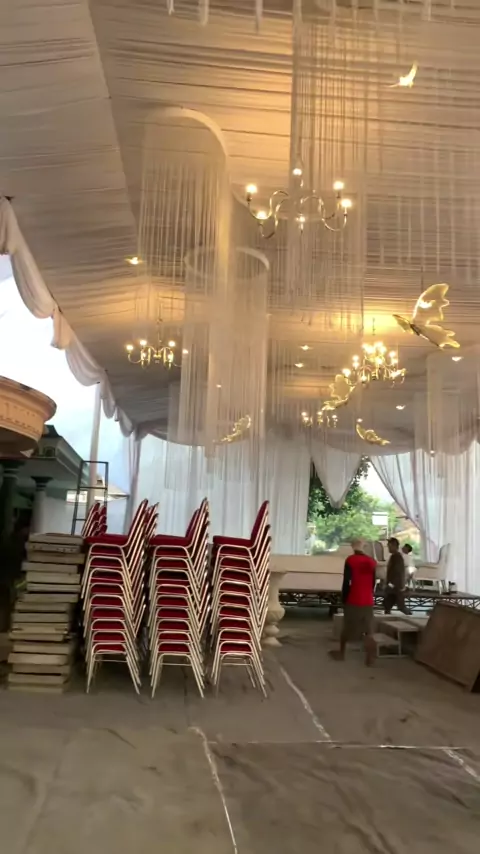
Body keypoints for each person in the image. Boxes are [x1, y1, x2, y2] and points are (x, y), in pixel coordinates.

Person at [332, 538, 377, 666]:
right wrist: (369, 594)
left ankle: (341, 653)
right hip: (367, 600)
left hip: (353, 598)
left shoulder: (350, 560)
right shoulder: (371, 562)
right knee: (369, 630)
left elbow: (347, 581)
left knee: (347, 627)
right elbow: (373, 582)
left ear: (353, 547)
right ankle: (369, 658)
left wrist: (344, 599)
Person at [384, 537, 409, 614]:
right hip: (395, 586)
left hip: (395, 586)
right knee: (388, 604)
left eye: (389, 546)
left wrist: (391, 584)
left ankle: (411, 616)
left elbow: (397, 572)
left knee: (400, 605)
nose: (388, 548)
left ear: (394, 546)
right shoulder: (395, 556)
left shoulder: (396, 557)